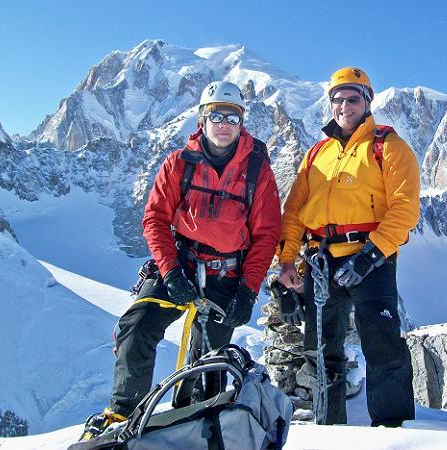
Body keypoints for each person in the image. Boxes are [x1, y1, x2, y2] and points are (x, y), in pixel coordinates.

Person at [82, 80, 281, 439]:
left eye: (232, 116)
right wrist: (171, 271)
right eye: (215, 115)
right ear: (202, 120)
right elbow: (155, 220)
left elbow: (266, 235)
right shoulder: (178, 164)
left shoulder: (257, 171)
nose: (223, 123)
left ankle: (190, 424)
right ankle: (123, 414)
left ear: (242, 123)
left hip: (228, 274)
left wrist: (249, 291)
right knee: (138, 324)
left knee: (208, 360)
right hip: (181, 264)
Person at [277, 67, 420, 427]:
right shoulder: (316, 154)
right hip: (321, 264)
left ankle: (394, 431)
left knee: (383, 348)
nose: (344, 105)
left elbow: (405, 207)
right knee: (322, 353)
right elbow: (294, 212)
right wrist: (287, 262)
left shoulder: (388, 146)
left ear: (367, 101)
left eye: (352, 98)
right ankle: (329, 430)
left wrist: (370, 255)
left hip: (371, 262)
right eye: (337, 99)